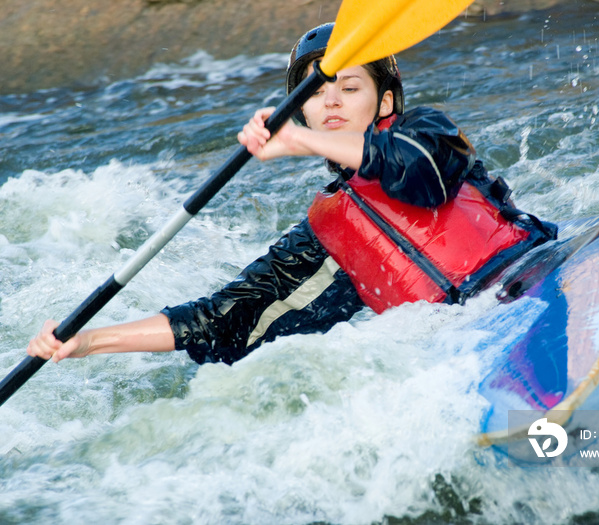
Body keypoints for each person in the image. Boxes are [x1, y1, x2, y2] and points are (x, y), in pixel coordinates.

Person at [27, 23, 555, 366]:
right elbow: (224, 319)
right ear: (299, 109)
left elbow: (421, 174)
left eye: (350, 89)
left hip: (537, 276)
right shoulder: (328, 230)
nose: (332, 103)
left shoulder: (425, 130)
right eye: (316, 95)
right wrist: (89, 341)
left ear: (386, 100)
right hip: (468, 338)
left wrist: (300, 141)